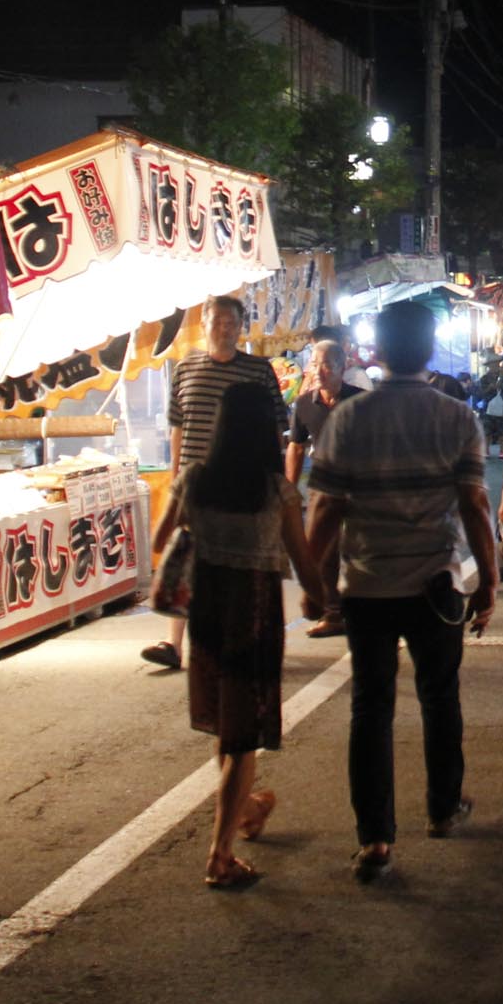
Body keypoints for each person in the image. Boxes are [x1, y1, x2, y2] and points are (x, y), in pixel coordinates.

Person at [304, 299, 497, 883]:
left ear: (378, 353)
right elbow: (474, 505)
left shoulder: (348, 420)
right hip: (436, 582)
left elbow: (326, 509)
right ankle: (442, 808)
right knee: (440, 699)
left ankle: (376, 839)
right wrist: (488, 581)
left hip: (365, 585)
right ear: (430, 349)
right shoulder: (456, 418)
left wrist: (316, 584)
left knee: (372, 708)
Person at [181, 380, 315, 889]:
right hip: (253, 615)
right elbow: (303, 560)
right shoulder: (275, 491)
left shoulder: (194, 479)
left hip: (207, 609)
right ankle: (220, 855)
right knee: (243, 736)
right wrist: (323, 596)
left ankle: (248, 807)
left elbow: (169, 536)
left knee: (224, 722)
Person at [149, 295, 284, 670]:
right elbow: (177, 426)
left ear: (241, 328)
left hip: (246, 481)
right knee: (189, 555)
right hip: (196, 482)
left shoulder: (258, 370)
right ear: (204, 323)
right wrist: (175, 473)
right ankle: (174, 642)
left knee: (235, 563)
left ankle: (231, 640)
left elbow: (276, 427)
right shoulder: (186, 368)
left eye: (232, 322)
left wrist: (276, 479)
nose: (225, 328)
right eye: (218, 321)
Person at [286, 340, 359, 641]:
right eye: (316, 364)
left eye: (328, 364)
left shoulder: (361, 401)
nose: (321, 370)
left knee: (360, 550)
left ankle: (367, 610)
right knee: (323, 552)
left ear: (344, 366)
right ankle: (332, 613)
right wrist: (288, 490)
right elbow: (296, 447)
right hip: (322, 486)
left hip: (360, 487)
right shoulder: (304, 404)